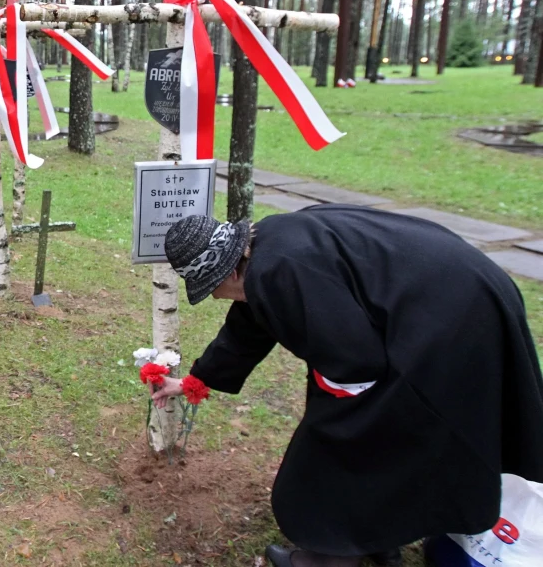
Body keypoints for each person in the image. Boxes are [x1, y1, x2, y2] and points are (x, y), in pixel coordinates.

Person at [151, 206, 543, 567]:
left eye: (211, 290)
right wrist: (193, 381)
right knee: (382, 437)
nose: (216, 298)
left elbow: (357, 364)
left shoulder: (276, 270)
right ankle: (378, 538)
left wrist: (331, 417)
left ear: (228, 272)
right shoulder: (267, 246)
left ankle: (329, 556)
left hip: (450, 323)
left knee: (341, 443)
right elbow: (248, 327)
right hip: (464, 294)